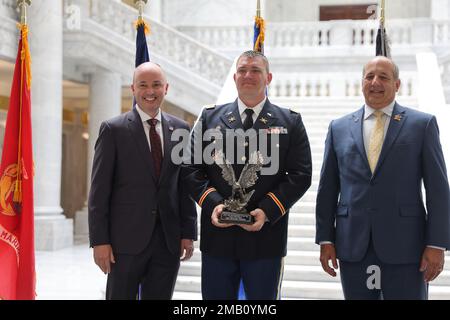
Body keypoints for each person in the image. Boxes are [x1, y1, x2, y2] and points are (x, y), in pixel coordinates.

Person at [315, 56, 450, 299]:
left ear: (397, 84)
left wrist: (437, 243)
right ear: (362, 82)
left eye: (384, 77)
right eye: (369, 77)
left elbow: (438, 190)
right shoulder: (339, 128)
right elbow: (328, 188)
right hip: (353, 246)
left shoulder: (422, 125)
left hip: (407, 247)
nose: (375, 82)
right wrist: (325, 238)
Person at [183, 50, 312, 299]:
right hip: (218, 239)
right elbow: (190, 168)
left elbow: (300, 174)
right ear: (234, 78)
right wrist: (214, 205)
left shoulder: (290, 121)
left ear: (268, 77)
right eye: (242, 70)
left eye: (255, 70)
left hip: (266, 240)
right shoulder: (210, 118)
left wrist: (267, 210)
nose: (248, 75)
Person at [88, 62, 197, 300]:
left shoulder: (181, 129)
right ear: (133, 89)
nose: (150, 91)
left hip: (167, 243)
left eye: (156, 84)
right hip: (123, 244)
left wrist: (188, 232)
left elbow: (183, 186)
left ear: (166, 88)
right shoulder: (113, 130)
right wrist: (100, 241)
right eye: (143, 85)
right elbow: (99, 191)